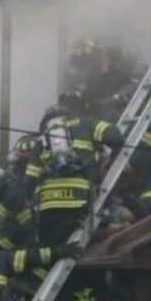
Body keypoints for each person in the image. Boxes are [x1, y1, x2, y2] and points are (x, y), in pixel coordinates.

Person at [28, 93, 124, 249]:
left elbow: (29, 180)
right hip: (79, 199)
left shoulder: (41, 140)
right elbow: (116, 138)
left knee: (51, 251)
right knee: (80, 242)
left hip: (48, 205)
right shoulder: (86, 123)